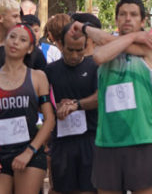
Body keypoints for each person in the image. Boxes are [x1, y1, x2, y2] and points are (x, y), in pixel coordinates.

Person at [89, 0, 152, 194]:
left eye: (133, 15)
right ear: (116, 19)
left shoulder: (149, 48)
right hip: (107, 141)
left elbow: (104, 40)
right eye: (122, 15)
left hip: (142, 140)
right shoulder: (104, 47)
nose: (127, 19)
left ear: (143, 20)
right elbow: (99, 56)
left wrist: (133, 38)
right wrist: (130, 37)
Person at [0, 24, 54, 194]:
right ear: (4, 41)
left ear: (30, 48)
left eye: (23, 39)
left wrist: (30, 151)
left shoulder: (38, 77)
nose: (15, 42)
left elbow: (49, 119)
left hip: (29, 152)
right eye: (12, 37)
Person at [45, 20, 99, 194]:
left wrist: (77, 105)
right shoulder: (50, 70)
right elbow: (42, 102)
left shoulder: (94, 67)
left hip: (89, 138)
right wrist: (55, 107)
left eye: (79, 50)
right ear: (60, 45)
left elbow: (101, 97)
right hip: (62, 141)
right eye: (70, 50)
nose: (75, 55)